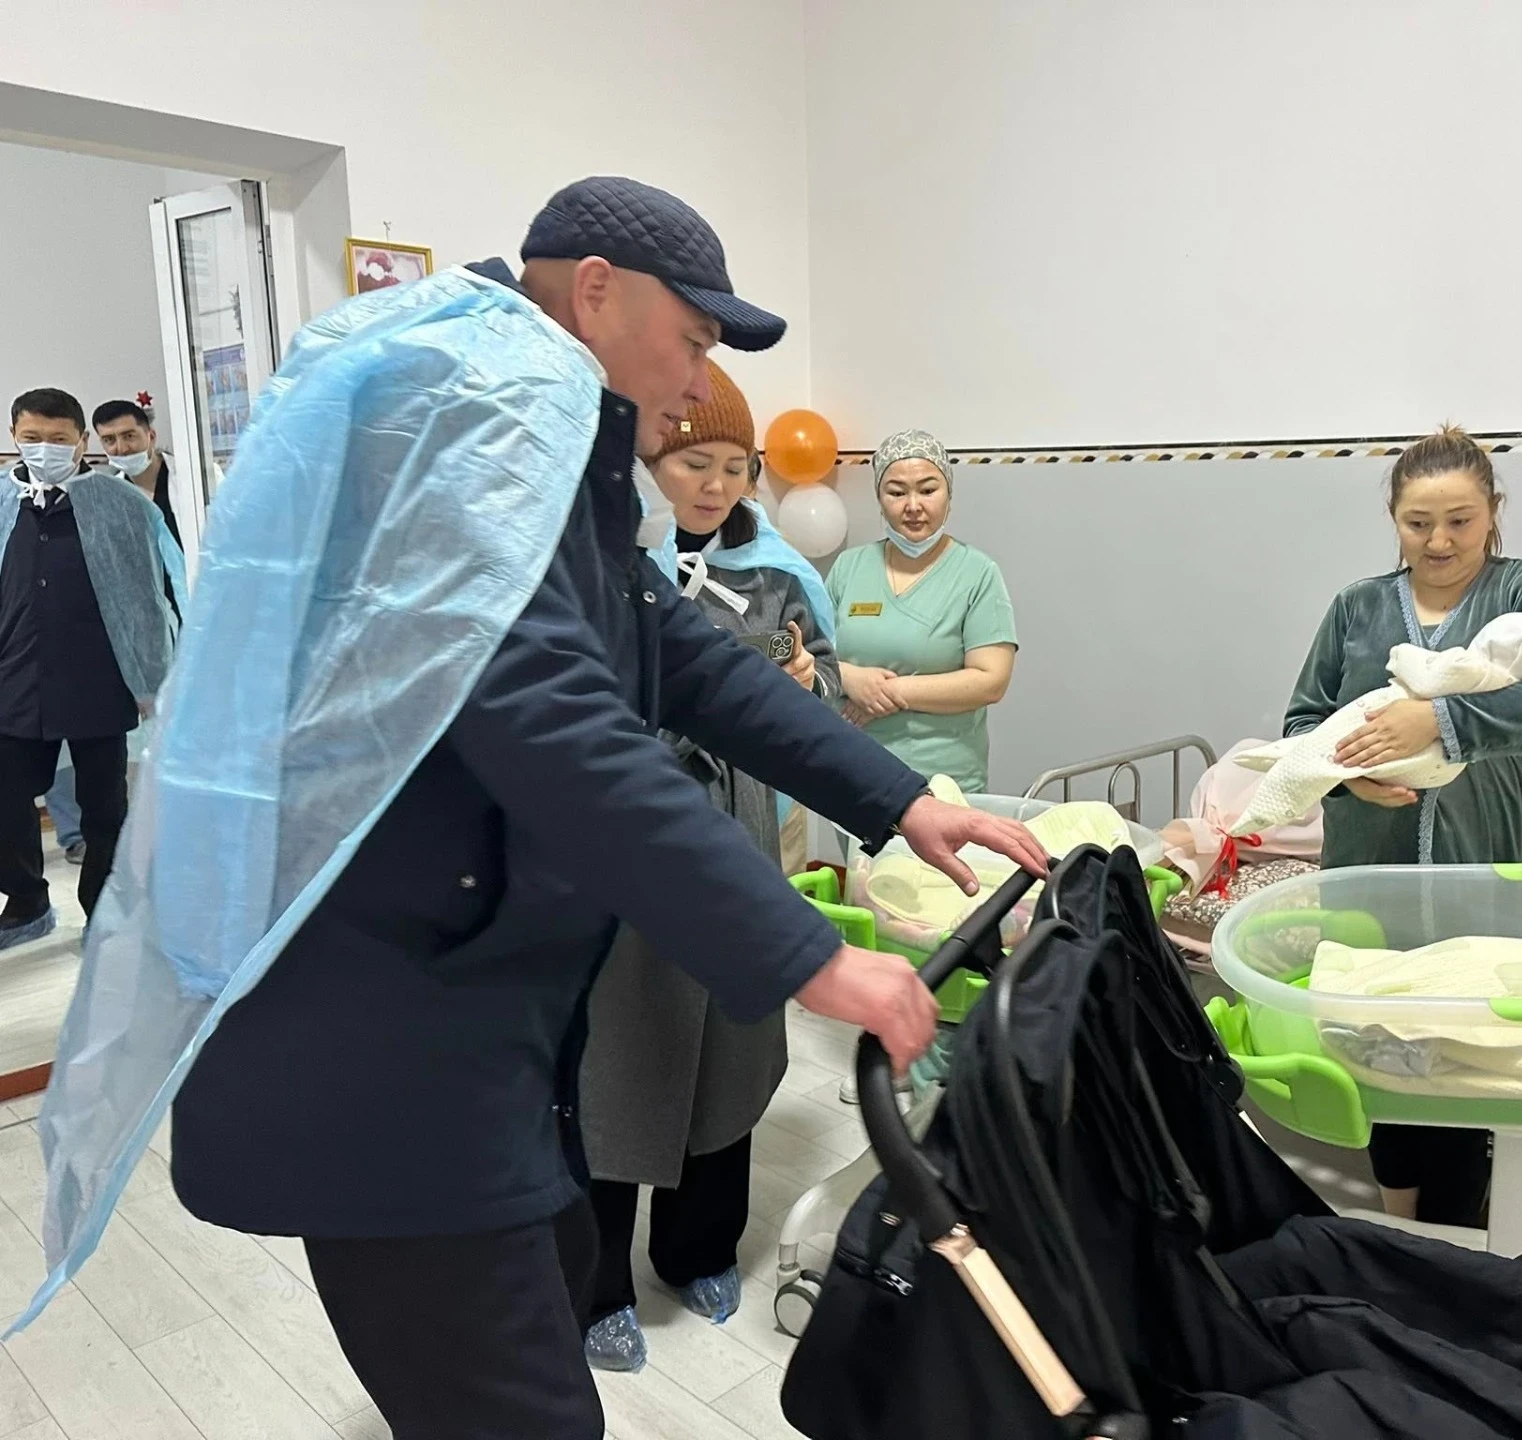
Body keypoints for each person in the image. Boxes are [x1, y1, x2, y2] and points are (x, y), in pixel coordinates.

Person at [16, 178, 1047, 1440]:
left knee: (544, 1315)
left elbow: (673, 647)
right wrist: (810, 957)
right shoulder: (467, 421)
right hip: (387, 1039)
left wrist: (899, 799)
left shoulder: (542, 434)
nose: (698, 381)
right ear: (597, 290)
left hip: (485, 1022)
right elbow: (556, 721)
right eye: (694, 340)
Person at [578, 359, 838, 1370]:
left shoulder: (777, 575)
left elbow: (820, 703)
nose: (715, 483)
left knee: (729, 1053)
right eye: (694, 462)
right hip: (626, 855)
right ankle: (595, 1285)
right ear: (649, 465)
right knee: (613, 1065)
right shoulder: (598, 567)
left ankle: (699, 1249)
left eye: (734, 465)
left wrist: (810, 683)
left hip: (737, 846)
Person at [1283, 424, 1522, 1227]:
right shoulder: (1357, 607)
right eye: (1418, 522)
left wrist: (1441, 723)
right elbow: (1304, 723)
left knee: (1476, 1049)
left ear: (1493, 511)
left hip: (1494, 847)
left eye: (1460, 520)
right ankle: (1402, 1228)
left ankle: (1453, 1237)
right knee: (1378, 1041)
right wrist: (1347, 775)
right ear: (1393, 518)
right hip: (1372, 854)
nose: (1439, 541)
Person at [0, 389, 179, 946]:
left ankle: (103, 910)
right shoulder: (3, 504)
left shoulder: (121, 506)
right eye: (32, 438)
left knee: (104, 808)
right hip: (15, 678)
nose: (45, 449)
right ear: (13, 437)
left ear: (81, 442)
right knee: (6, 798)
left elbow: (146, 599)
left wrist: (151, 679)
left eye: (58, 439)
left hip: (98, 678)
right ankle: (27, 901)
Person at [829, 429, 1018, 794]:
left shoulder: (977, 574)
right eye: (897, 492)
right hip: (854, 771)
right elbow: (810, 654)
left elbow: (991, 680)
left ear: (949, 494)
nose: (913, 505)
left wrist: (890, 692)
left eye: (928, 490)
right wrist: (849, 678)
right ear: (879, 498)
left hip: (943, 782)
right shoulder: (848, 568)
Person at [92, 399, 182, 549]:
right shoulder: (109, 497)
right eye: (109, 440)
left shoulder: (192, 478)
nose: (121, 449)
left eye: (129, 436)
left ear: (151, 436)